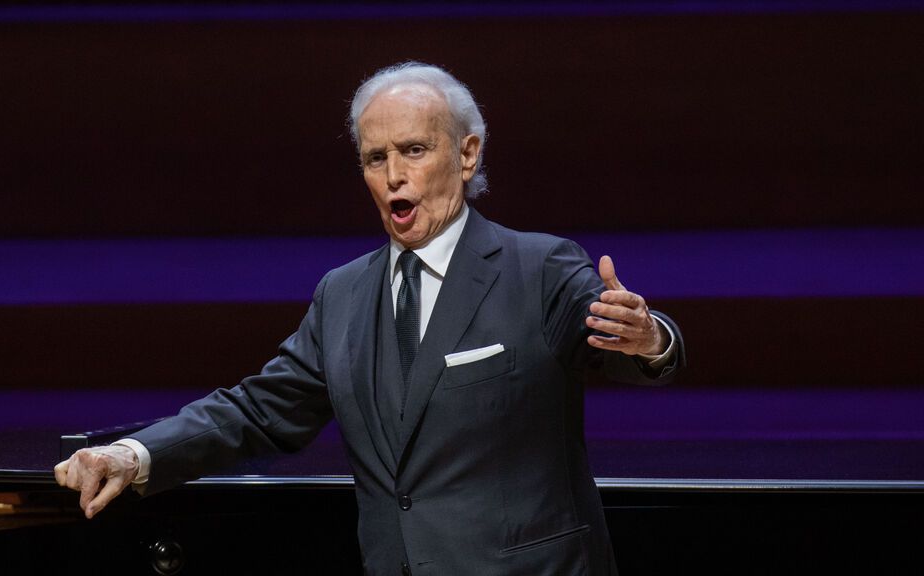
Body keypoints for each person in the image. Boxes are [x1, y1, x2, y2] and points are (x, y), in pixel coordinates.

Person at [55, 61, 684, 576]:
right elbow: (257, 410)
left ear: (467, 155)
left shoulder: (539, 266)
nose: (393, 177)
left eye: (413, 150)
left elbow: (614, 342)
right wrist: (136, 455)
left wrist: (648, 337)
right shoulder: (343, 294)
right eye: (374, 158)